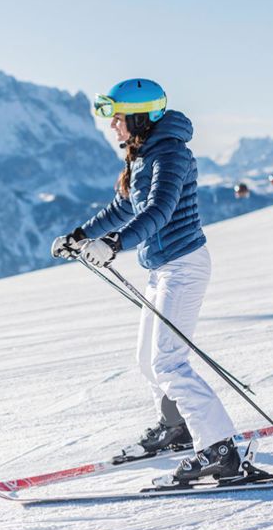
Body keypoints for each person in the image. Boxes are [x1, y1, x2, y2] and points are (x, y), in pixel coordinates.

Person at [51, 79, 240, 485]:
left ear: (142, 117)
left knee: (169, 361)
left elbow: (159, 209)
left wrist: (115, 244)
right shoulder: (144, 155)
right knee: (147, 359)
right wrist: (80, 237)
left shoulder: (170, 154)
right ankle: (176, 427)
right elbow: (125, 206)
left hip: (184, 266)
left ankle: (221, 450)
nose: (112, 126)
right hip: (162, 268)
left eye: (117, 117)